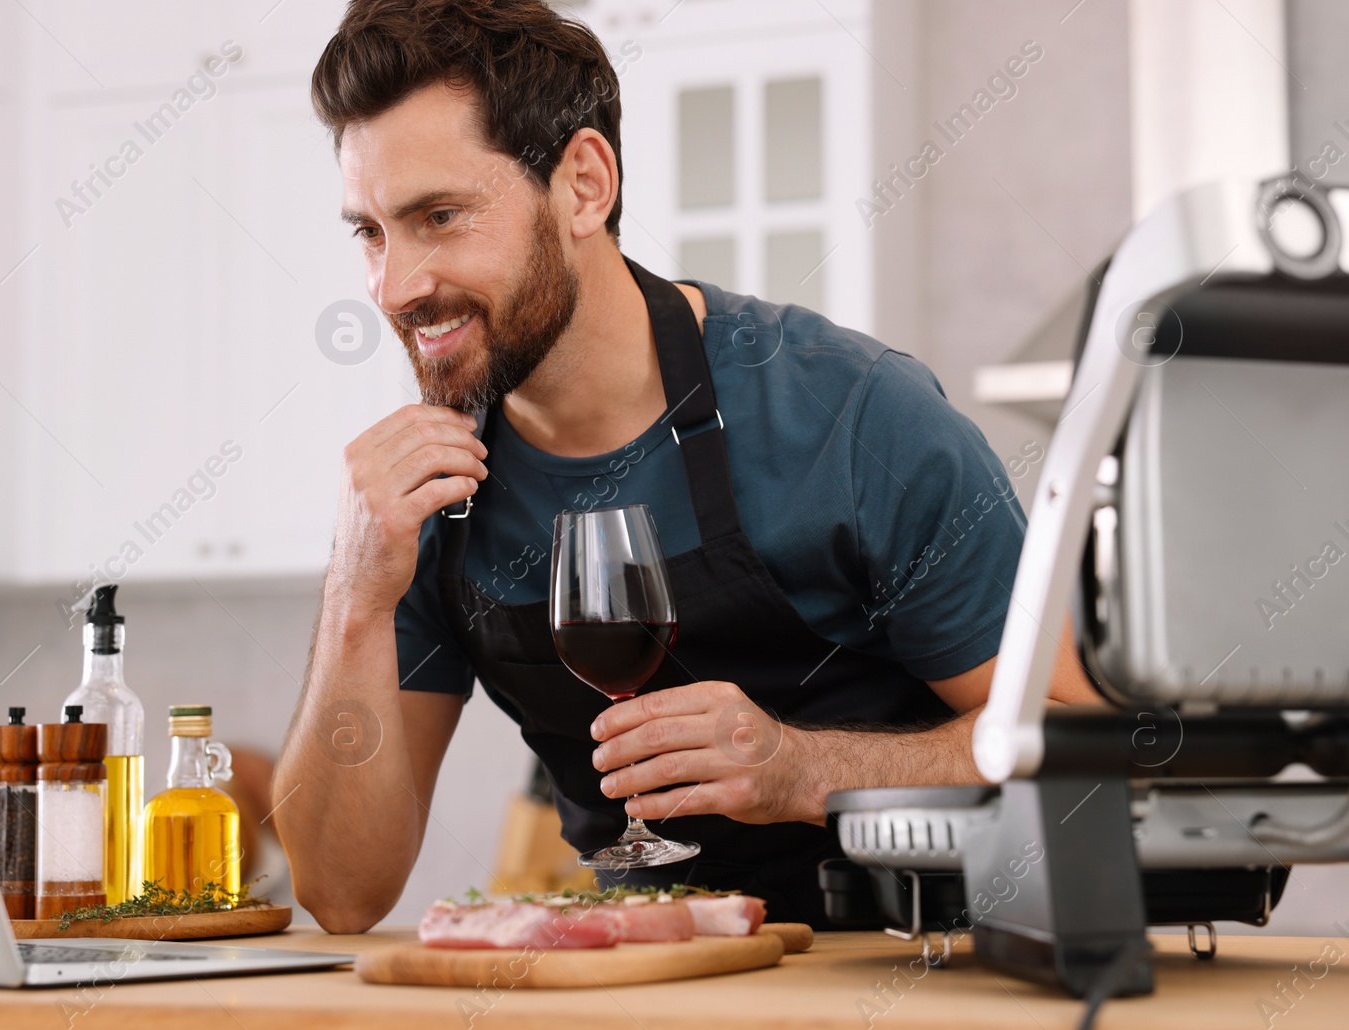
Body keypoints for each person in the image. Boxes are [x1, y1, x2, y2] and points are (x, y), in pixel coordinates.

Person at [273, 0, 1098, 932]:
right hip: (652, 984)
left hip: (923, 972)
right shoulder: (422, 502)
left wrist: (799, 767)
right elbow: (343, 892)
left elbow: (1080, 739)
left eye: (441, 215)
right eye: (371, 233)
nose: (396, 286)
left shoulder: (852, 417)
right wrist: (355, 592)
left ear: (584, 184)